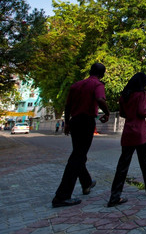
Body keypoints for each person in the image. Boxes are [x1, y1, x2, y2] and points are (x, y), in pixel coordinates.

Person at [51, 63, 111, 208]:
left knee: (79, 153)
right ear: (102, 74)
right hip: (86, 121)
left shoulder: (76, 85)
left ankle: (86, 182)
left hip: (75, 121)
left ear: (90, 71)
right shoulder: (97, 85)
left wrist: (67, 123)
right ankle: (62, 196)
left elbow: (67, 105)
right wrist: (107, 112)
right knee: (77, 157)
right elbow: (100, 99)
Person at [107, 72, 146, 207]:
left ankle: (115, 196)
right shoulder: (141, 94)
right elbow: (141, 111)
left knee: (122, 165)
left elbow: (122, 113)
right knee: (144, 162)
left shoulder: (124, 95)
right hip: (140, 133)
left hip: (128, 132)